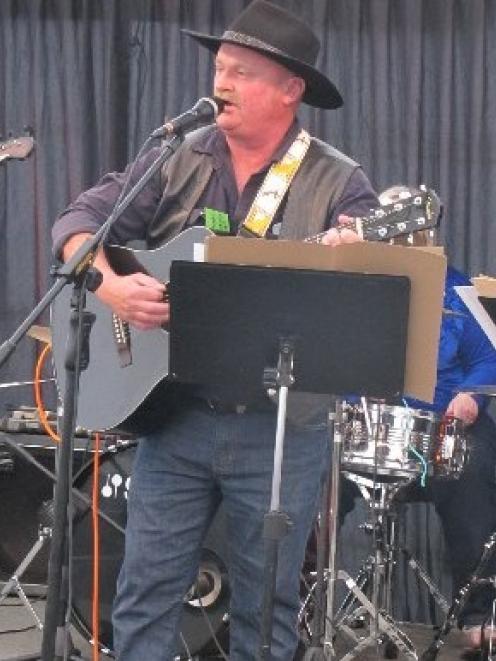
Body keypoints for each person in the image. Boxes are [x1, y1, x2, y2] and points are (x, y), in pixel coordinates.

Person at [51, 2, 379, 658]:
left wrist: (354, 254)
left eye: (242, 72)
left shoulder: (339, 182)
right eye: (219, 67)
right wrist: (111, 286)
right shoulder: (176, 157)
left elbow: (375, 287)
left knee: (266, 610)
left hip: (280, 427)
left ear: (291, 92)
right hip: (174, 418)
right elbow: (78, 221)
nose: (220, 83)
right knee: (144, 593)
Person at [339, 185, 496, 652]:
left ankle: (479, 614)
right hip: (366, 429)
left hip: (444, 430)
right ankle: (303, 603)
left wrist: (471, 396)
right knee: (308, 475)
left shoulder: (456, 285)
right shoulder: (355, 286)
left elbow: (488, 356)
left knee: (473, 471)